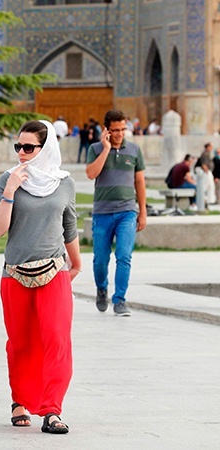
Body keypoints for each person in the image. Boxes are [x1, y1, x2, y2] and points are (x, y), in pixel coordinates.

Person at [0, 119, 81, 434]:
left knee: (56, 339)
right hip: (15, 272)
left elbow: (69, 225)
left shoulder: (64, 183)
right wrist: (11, 191)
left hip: (54, 269)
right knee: (21, 343)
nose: (22, 153)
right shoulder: (8, 179)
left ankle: (52, 409)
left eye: (28, 147)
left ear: (46, 149)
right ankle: (20, 401)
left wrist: (77, 263)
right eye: (18, 146)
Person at [86, 110, 146, 317]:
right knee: (100, 259)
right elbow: (91, 173)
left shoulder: (135, 150)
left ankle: (120, 300)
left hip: (127, 212)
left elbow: (140, 182)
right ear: (106, 130)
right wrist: (106, 149)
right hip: (102, 213)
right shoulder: (95, 148)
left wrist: (143, 212)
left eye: (122, 129)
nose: (120, 134)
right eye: (115, 130)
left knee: (124, 256)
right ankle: (102, 289)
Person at [195, 143, 216, 209]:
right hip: (205, 172)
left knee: (210, 186)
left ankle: (210, 200)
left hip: (207, 171)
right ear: (207, 147)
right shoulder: (205, 154)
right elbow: (203, 164)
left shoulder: (207, 153)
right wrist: (207, 172)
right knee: (205, 186)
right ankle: (203, 199)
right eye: (211, 147)